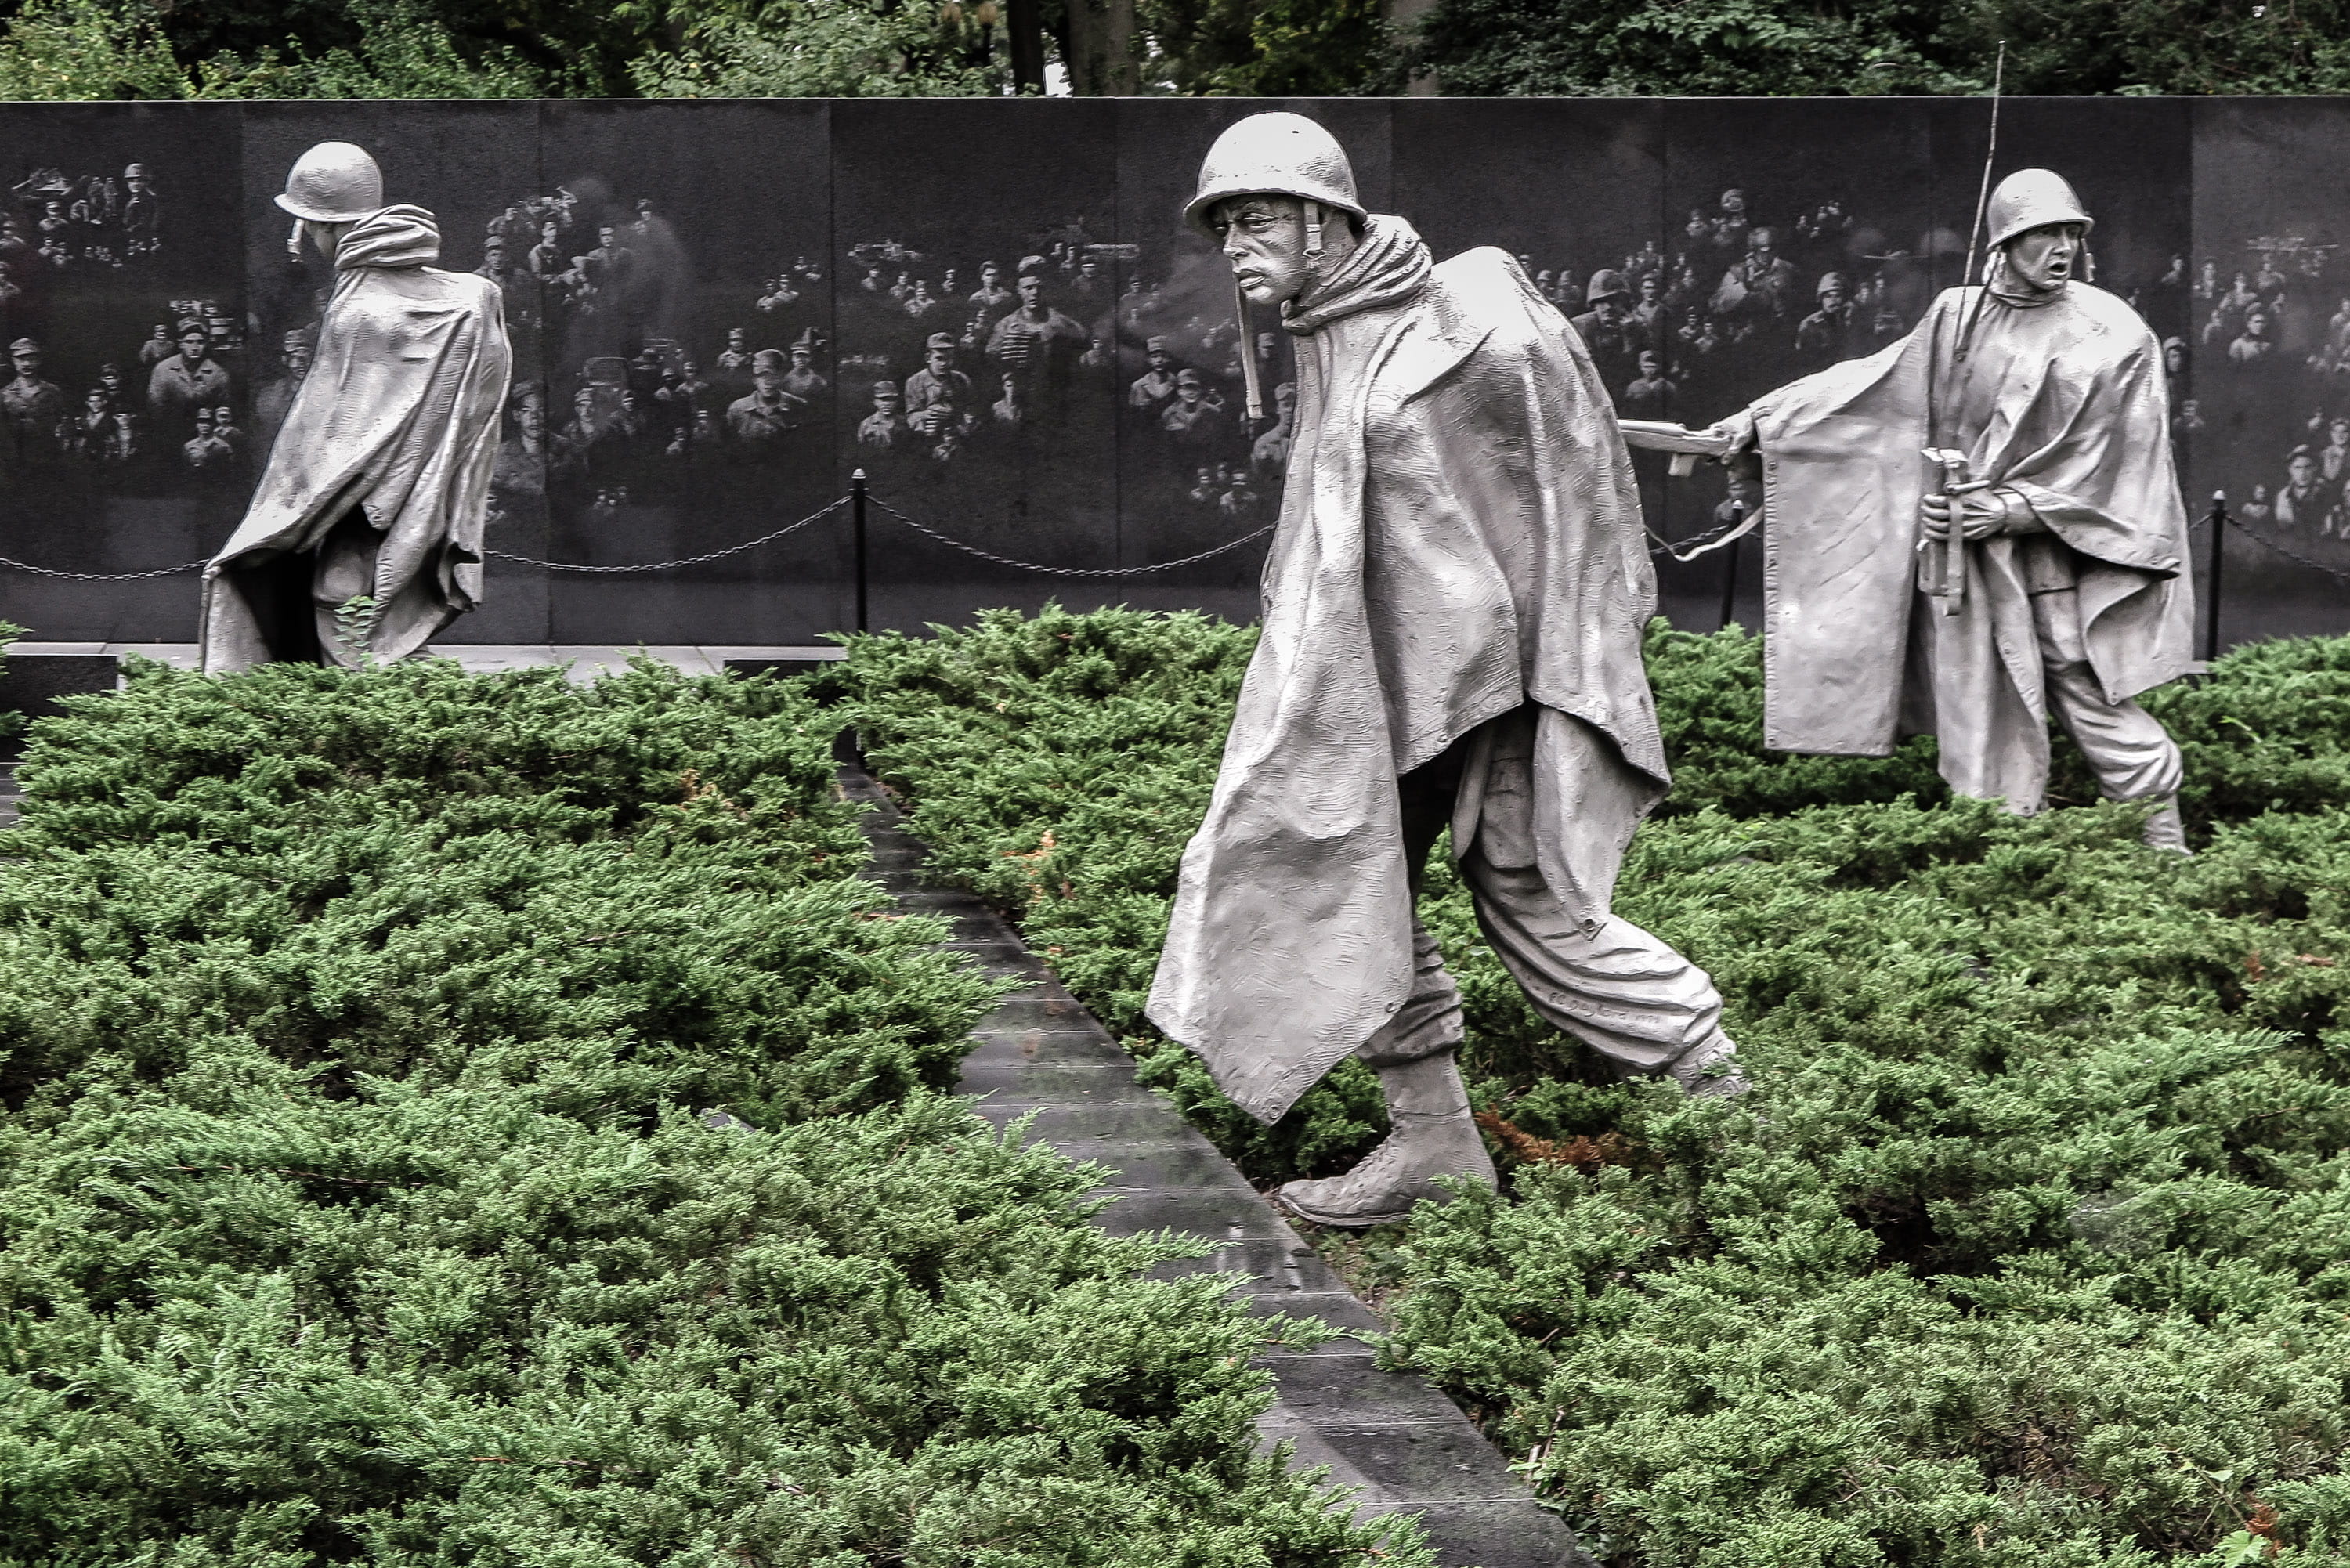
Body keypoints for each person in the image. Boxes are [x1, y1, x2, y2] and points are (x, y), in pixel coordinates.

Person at [1148, 113, 1744, 1232]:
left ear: (1321, 219)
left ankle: (1732, 1103)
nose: (1233, 244)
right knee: (1338, 879)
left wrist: (1556, 660)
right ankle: (1433, 1139)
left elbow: (1566, 483)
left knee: (1530, 895)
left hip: (1490, 689)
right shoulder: (1329, 329)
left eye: (1255, 218)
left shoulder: (1469, 318)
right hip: (1371, 689)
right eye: (1223, 224)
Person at [1647, 169, 2194, 850]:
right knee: (1973, 701)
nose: (2062, 248)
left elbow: (2117, 465)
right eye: (2043, 233)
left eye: (2070, 233)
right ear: (2004, 242)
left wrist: (2009, 510)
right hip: (1960, 561)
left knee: (2080, 682)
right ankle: (1998, 847)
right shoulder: (1957, 316)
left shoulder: (2113, 336)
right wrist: (1756, 421)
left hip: (2052, 558)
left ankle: (2163, 843)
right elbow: (1871, 385)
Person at [201, 142, 511, 674]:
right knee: (347, 586)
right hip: (418, 491)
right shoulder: (473, 298)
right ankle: (373, 685)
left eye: (303, 224)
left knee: (339, 586)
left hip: (364, 496)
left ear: (321, 226)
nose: (299, 237)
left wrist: (284, 514)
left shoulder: (360, 309)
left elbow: (334, 433)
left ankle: (361, 695)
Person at [146, 320, 230, 435]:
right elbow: (156, 407)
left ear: (206, 344)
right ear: (180, 344)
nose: (195, 347)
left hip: (206, 434)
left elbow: (223, 409)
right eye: (189, 342)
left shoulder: (217, 373)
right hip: (170, 432)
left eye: (200, 342)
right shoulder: (163, 369)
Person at [725, 348, 808, 444]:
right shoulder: (737, 409)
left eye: (773, 376)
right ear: (754, 380)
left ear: (782, 378)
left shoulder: (798, 406)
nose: (767, 382)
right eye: (762, 376)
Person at [2, 337, 66, 457]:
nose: (27, 364)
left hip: (47, 457)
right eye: (21, 359)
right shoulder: (5, 396)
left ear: (39, 361)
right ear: (13, 361)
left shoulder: (53, 392)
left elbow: (63, 423)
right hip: (15, 458)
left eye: (31, 359)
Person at [1129, 335, 1180, 413]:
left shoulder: (1178, 384)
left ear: (1169, 358)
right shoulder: (1138, 386)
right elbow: (1132, 415)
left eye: (1163, 356)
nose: (1159, 360)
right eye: (1155, 357)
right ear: (1149, 360)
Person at [2276, 446, 2324, 526]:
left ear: (2315, 468)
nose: (2302, 473)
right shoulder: (2284, 495)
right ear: (2290, 469)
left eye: (2307, 468)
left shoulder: (2324, 491)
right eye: (2297, 468)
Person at [1620, 349, 1674, 418]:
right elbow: (1627, 408)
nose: (1649, 370)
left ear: (1658, 367)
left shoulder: (1668, 386)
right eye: (1646, 367)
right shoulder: (1633, 387)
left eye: (1653, 367)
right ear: (1641, 368)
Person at [858, 381, 911, 450]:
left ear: (896, 402)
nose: (887, 404)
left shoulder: (905, 423)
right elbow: (862, 450)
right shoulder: (866, 424)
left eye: (891, 400)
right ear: (875, 402)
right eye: (882, 400)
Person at [782, 331, 828, 400]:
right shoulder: (785, 380)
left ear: (809, 359)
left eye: (804, 356)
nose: (800, 360)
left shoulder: (818, 381)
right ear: (793, 359)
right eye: (797, 357)